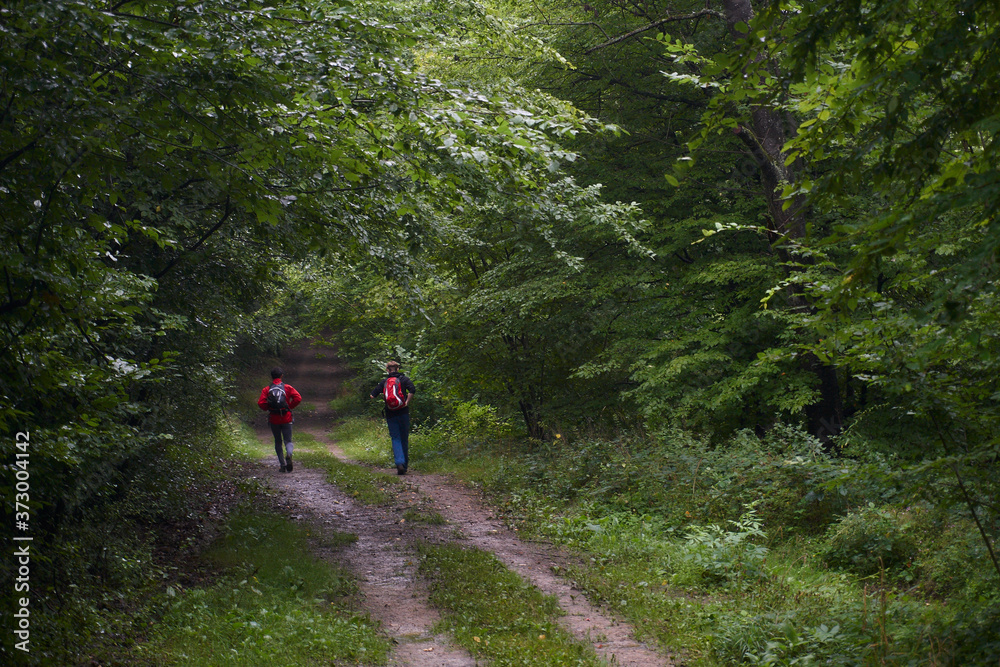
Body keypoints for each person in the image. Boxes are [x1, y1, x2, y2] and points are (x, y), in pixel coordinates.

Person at [370, 360, 416, 475]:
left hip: (390, 414)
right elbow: (412, 389)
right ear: (398, 369)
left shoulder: (384, 382)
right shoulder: (404, 379)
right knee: (404, 438)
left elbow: (372, 395)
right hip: (403, 412)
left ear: (387, 370)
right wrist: (406, 402)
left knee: (395, 438)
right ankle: (404, 467)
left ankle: (399, 462)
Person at [258, 367, 302, 472]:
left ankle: (282, 465)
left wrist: (268, 408)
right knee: (288, 440)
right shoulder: (287, 387)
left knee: (278, 441)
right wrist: (289, 406)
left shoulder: (266, 389)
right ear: (281, 376)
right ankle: (289, 454)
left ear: (271, 376)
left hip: (274, 418)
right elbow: (298, 398)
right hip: (286, 417)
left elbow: (261, 403)